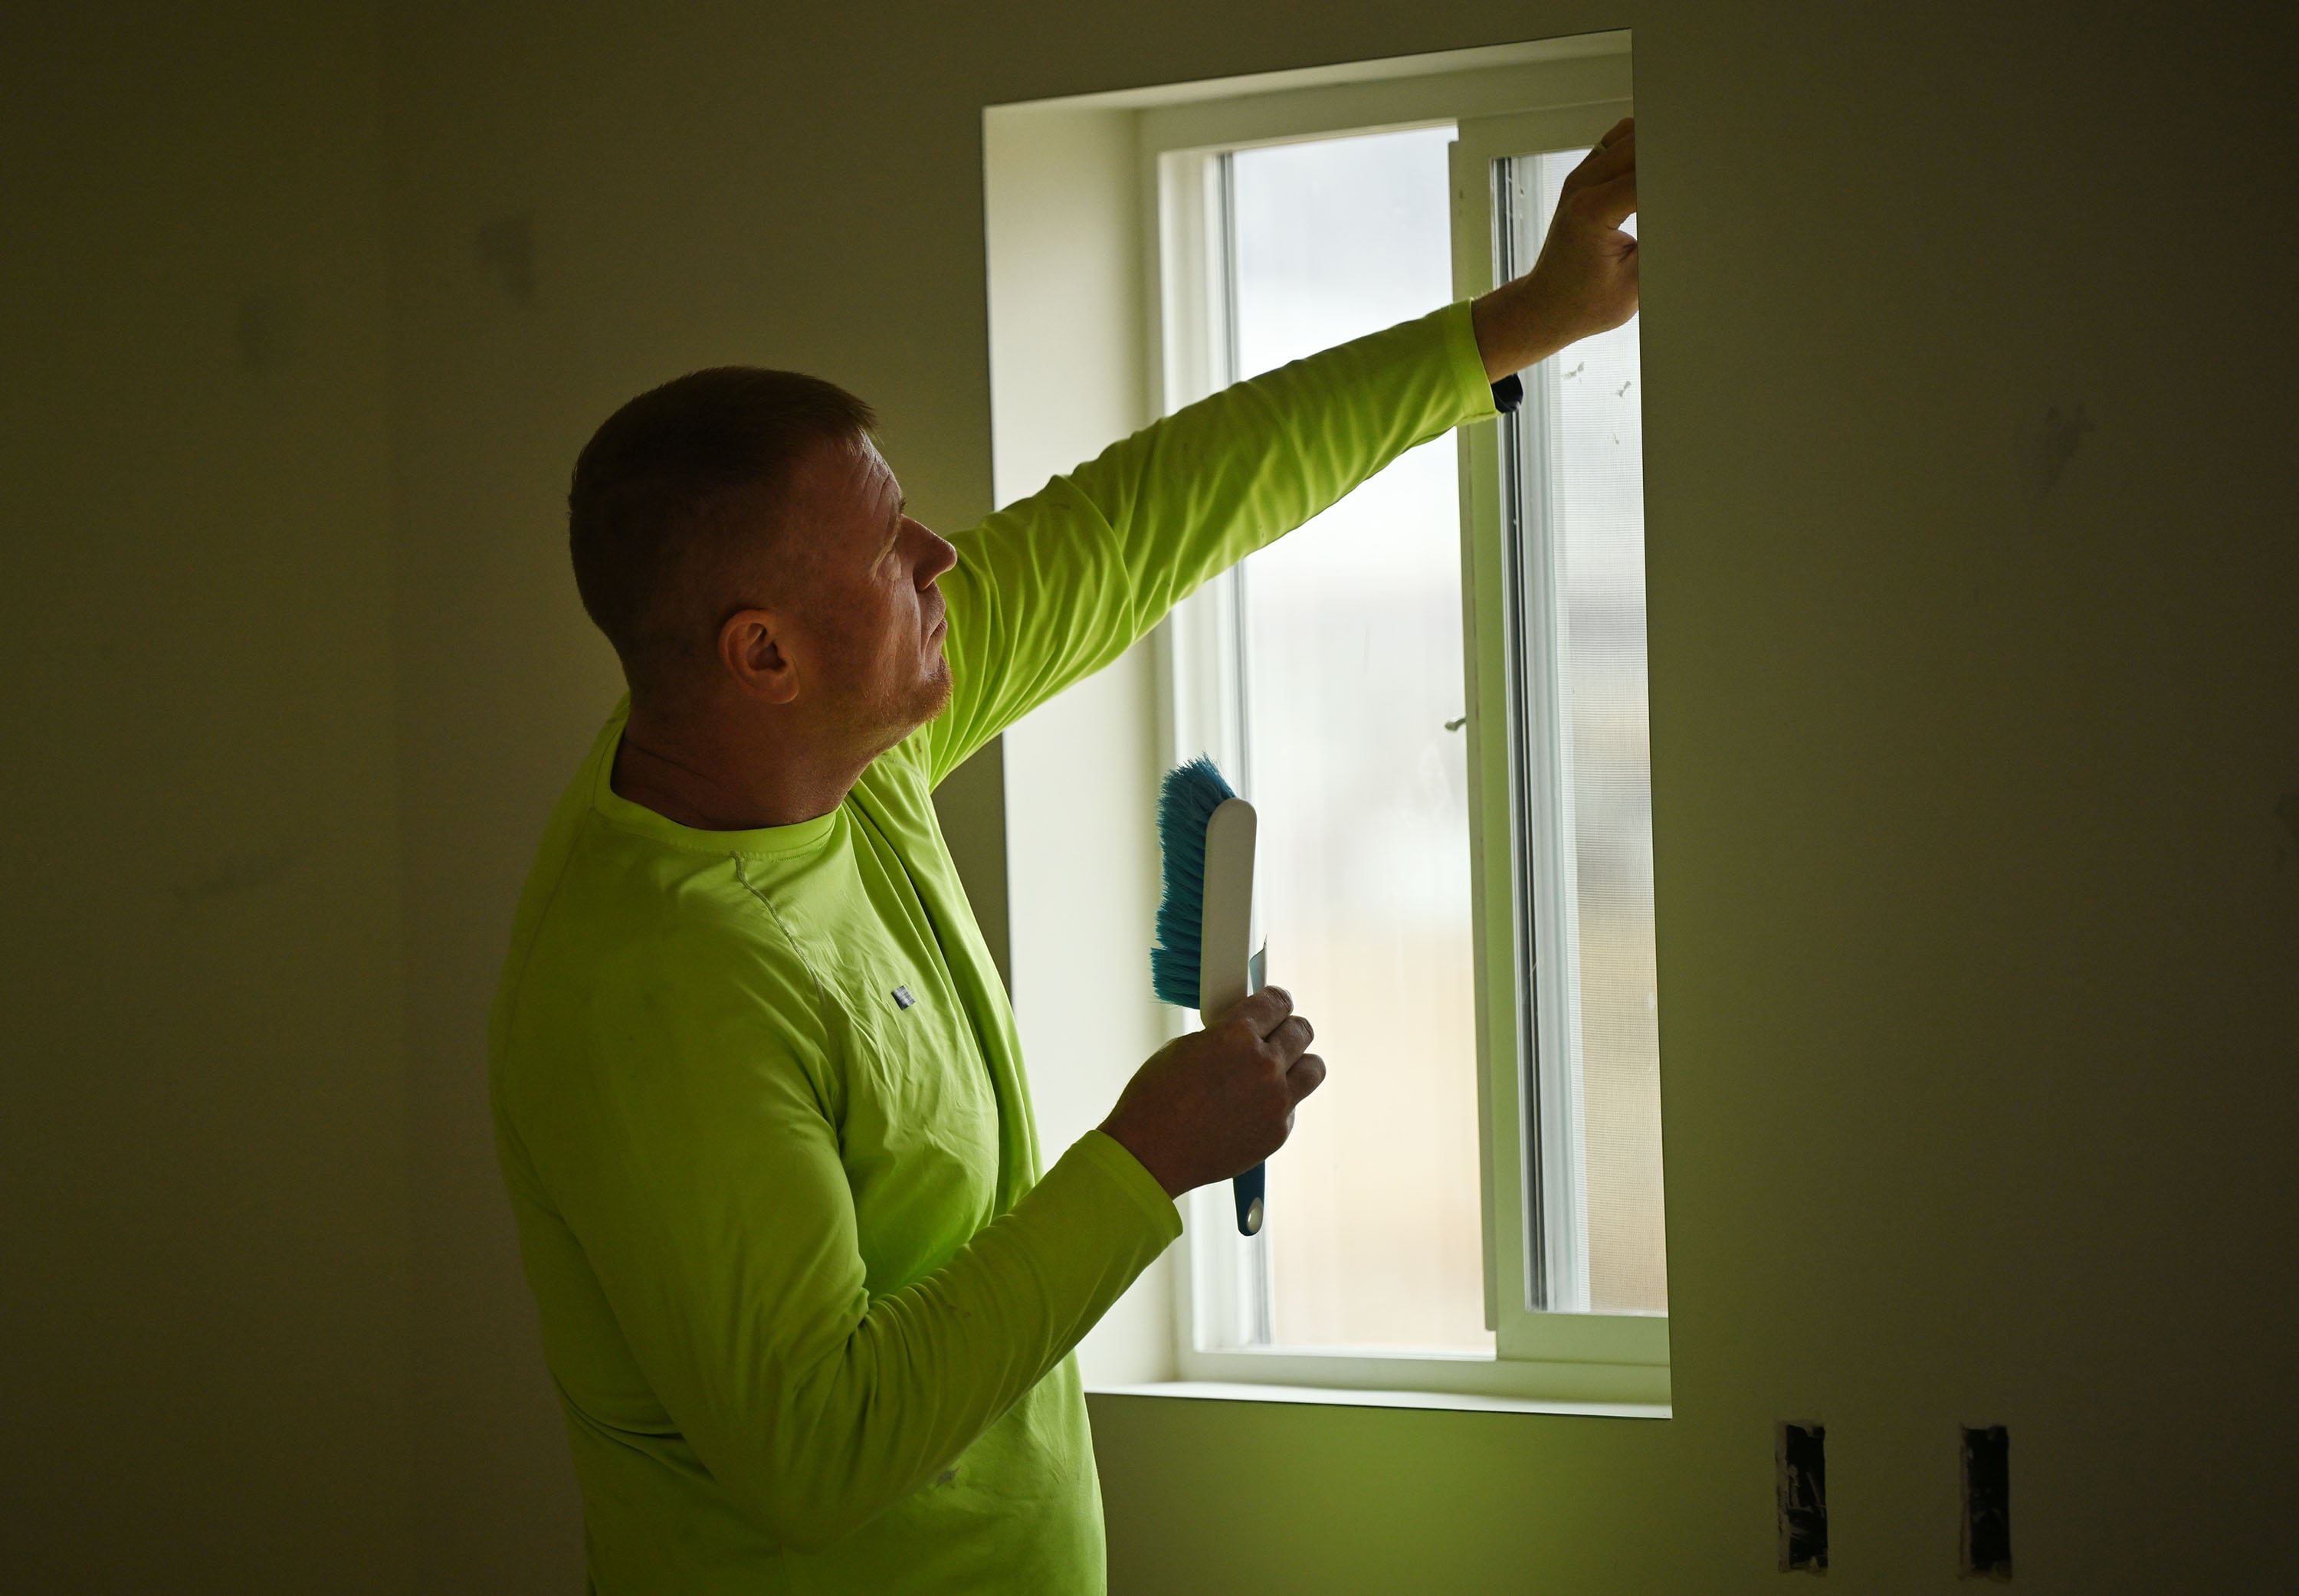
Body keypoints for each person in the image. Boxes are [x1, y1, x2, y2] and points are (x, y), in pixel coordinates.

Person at [490, 120, 1638, 1594]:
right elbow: (814, 1451)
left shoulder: (848, 753)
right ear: (762, 651)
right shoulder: (658, 995)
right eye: (892, 552)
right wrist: (1145, 1162)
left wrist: (1525, 319)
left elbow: (1159, 507)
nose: (943, 563)